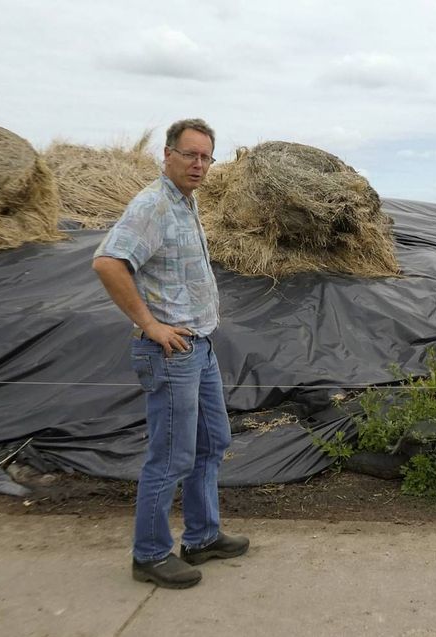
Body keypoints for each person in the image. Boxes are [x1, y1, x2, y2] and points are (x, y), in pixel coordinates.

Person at [92, 118, 248, 589]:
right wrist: (151, 325)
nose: (198, 164)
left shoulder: (186, 202)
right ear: (167, 155)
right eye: (189, 155)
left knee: (211, 443)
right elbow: (108, 262)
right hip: (172, 353)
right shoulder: (154, 204)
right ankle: (151, 554)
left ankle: (201, 537)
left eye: (205, 157)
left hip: (200, 346)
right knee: (170, 456)